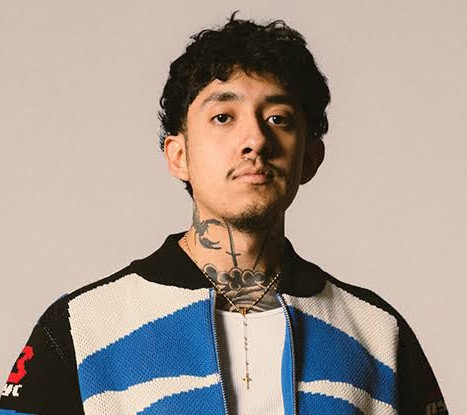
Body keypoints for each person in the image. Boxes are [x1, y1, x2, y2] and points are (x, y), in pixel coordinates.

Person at [0, 13, 448, 415]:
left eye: (278, 118)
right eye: (223, 117)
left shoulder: (379, 335)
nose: (255, 139)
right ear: (179, 155)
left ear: (310, 159)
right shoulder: (83, 328)